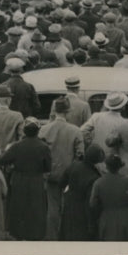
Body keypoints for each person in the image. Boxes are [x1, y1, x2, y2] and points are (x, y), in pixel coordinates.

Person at [0, 117, 50, 241]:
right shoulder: (43, 147)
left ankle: (18, 232)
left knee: (19, 206)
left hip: (19, 179)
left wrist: (12, 164)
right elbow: (47, 167)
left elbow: (1, 160)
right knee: (36, 207)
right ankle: (35, 233)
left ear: (24, 131)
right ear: (38, 131)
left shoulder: (17, 146)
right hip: (36, 179)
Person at [39, 96, 84, 239]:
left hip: (50, 173)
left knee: (52, 208)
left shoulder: (44, 129)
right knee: (68, 207)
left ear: (54, 110)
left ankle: (52, 237)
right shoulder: (76, 131)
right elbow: (80, 154)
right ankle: (67, 236)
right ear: (68, 112)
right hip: (69, 175)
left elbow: (41, 153)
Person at [89, 153, 128, 241]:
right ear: (120, 167)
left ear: (106, 166)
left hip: (108, 219)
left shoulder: (98, 183)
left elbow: (92, 204)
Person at [60, 145, 104, 241]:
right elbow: (91, 204)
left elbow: (62, 181)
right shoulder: (94, 176)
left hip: (69, 205)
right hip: (83, 212)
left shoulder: (74, 165)